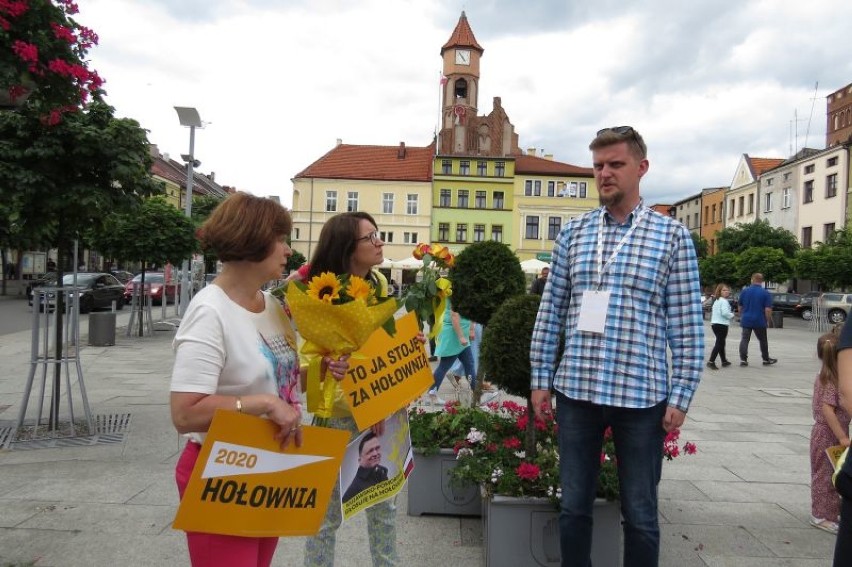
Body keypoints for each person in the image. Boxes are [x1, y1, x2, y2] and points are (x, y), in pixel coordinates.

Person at [529, 126, 704, 567]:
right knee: (573, 508)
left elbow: (686, 326)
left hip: (640, 397)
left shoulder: (672, 237)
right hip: (578, 392)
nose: (604, 173)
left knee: (641, 514)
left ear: (641, 168)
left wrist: (680, 396)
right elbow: (551, 312)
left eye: (615, 164)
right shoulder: (574, 233)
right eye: (598, 165)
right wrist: (539, 380)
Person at [169, 193, 349, 567]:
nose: (288, 250)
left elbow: (276, 382)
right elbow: (185, 414)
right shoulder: (209, 311)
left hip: (268, 471)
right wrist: (266, 406)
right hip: (221, 472)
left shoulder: (269, 305)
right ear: (251, 240)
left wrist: (316, 372)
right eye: (280, 239)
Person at [303, 211, 399, 567]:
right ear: (347, 247)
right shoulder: (321, 297)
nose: (379, 242)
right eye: (370, 237)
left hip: (381, 416)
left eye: (379, 234)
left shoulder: (380, 287)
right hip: (336, 419)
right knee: (325, 517)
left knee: (385, 507)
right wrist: (328, 366)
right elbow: (308, 365)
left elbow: (384, 348)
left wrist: (411, 342)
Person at [810, 331, 849, 535]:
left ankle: (831, 511)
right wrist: (842, 436)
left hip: (829, 433)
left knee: (833, 473)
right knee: (824, 475)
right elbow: (828, 409)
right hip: (827, 434)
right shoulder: (831, 380)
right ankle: (821, 515)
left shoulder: (826, 376)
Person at [428, 299, 477, 405]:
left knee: (469, 364)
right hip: (453, 335)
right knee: (444, 366)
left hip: (462, 335)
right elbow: (454, 315)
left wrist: (472, 329)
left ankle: (477, 394)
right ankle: (432, 393)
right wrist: (461, 337)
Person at [738, 273, 777, 366]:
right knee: (763, 340)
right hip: (759, 320)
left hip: (746, 319)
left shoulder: (745, 291)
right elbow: (768, 309)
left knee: (745, 339)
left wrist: (742, 315)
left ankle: (743, 360)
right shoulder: (765, 293)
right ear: (762, 281)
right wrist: (767, 320)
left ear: (752, 279)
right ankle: (765, 359)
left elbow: (740, 306)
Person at [342, 432, 389, 503]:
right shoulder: (356, 487)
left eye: (377, 448)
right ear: (360, 460)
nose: (375, 453)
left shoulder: (381, 471)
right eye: (370, 451)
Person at [707, 283, 735, 369]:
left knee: (721, 342)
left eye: (727, 290)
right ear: (719, 291)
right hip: (721, 325)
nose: (727, 291)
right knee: (719, 343)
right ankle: (711, 361)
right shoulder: (723, 301)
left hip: (715, 324)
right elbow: (725, 313)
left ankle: (724, 361)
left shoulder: (717, 301)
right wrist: (732, 315)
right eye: (724, 290)